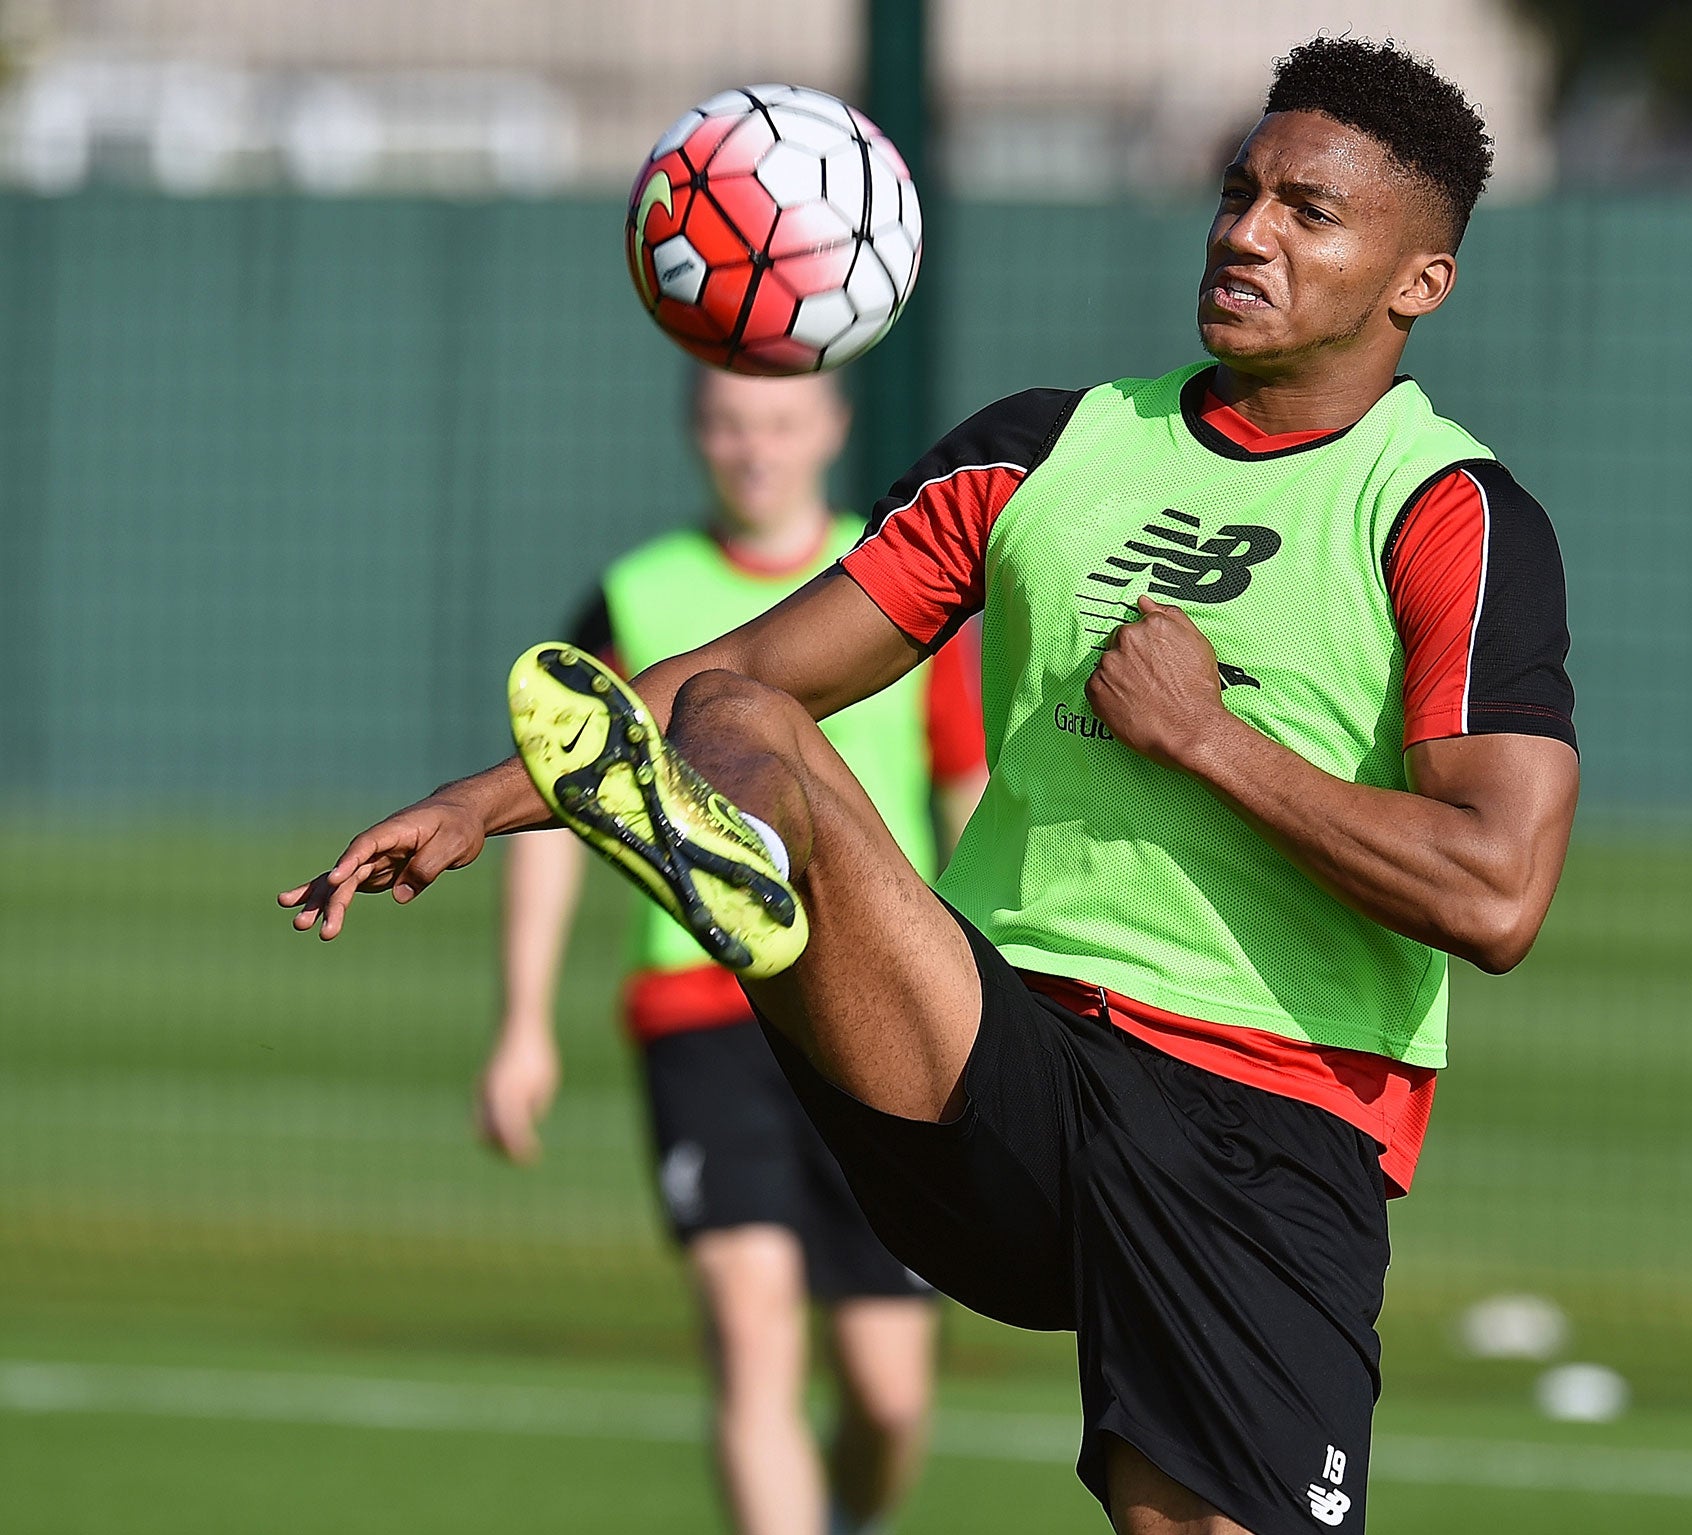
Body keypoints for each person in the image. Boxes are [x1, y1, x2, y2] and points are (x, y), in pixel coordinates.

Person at [285, 38, 1577, 1535]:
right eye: (1239, 191)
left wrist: (1209, 740)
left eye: (1309, 210)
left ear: (1419, 281)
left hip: (1266, 1121)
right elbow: (760, 650)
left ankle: (753, 895)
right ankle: (748, 886)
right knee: (738, 709)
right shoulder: (1051, 449)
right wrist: (480, 803)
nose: (1245, 230)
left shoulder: (1448, 512)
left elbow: (1496, 888)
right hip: (995, 1047)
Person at [480, 368, 986, 1535]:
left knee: (889, 1393)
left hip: (873, 1002)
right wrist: (522, 1023)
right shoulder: (635, 595)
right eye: (726, 420)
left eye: (777, 420)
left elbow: (965, 788)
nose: (752, 446)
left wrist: (982, 982)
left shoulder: (898, 577)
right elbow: (560, 813)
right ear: (694, 431)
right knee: (752, 1334)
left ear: (832, 428)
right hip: (699, 1006)